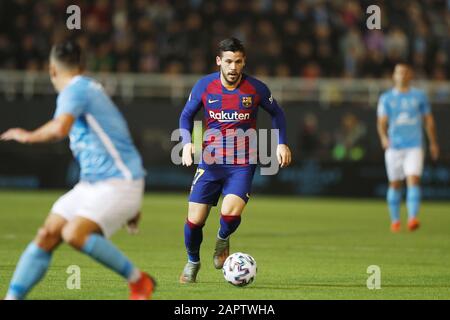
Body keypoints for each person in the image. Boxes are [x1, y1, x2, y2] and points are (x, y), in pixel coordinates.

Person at [1, 40, 155, 300]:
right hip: (95, 184)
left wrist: (27, 136)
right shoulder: (91, 89)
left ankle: (139, 281)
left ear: (51, 70)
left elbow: (60, 128)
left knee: (73, 233)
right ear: (82, 65)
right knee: (48, 233)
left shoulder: (75, 91)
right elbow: (120, 137)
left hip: (118, 183)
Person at [178, 37, 292, 283]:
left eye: (238, 62)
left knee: (230, 214)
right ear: (219, 61)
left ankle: (222, 238)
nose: (233, 67)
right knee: (195, 220)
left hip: (242, 163)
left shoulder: (256, 88)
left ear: (244, 62)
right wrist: (187, 143)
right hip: (210, 162)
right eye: (228, 61)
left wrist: (281, 142)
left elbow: (277, 114)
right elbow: (186, 116)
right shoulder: (204, 86)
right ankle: (192, 261)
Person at [377, 63, 439, 233]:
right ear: (394, 76)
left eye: (405, 72)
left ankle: (412, 218)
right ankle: (395, 221)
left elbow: (429, 121)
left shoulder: (419, 96)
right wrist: (383, 138)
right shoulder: (386, 98)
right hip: (394, 146)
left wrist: (433, 142)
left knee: (414, 180)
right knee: (395, 184)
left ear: (410, 76)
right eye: (399, 72)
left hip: (414, 145)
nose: (402, 75)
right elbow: (381, 122)